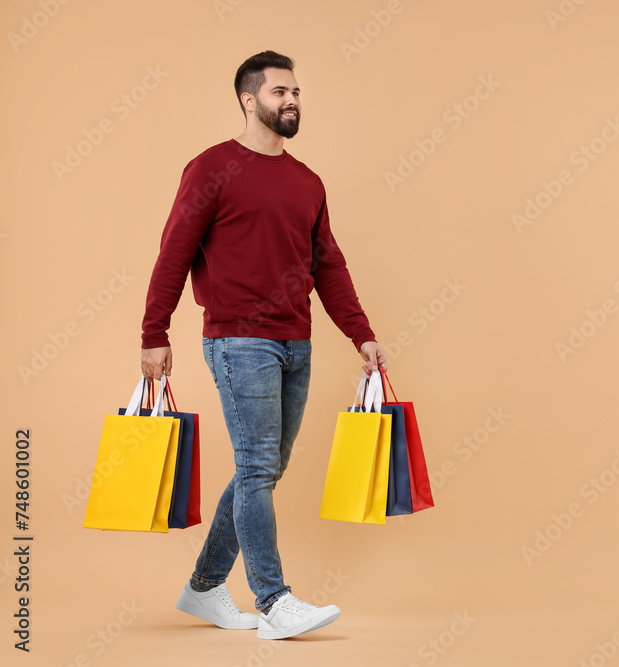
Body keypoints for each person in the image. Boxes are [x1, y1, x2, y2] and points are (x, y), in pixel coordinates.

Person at [139, 50, 387, 640]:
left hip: (294, 341)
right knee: (256, 466)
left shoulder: (307, 182)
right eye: (279, 92)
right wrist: (154, 332)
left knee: (265, 468)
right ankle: (274, 601)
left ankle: (203, 588)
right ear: (249, 100)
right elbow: (174, 251)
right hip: (238, 339)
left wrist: (361, 332)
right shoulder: (211, 168)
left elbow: (329, 264)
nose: (292, 100)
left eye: (296, 91)